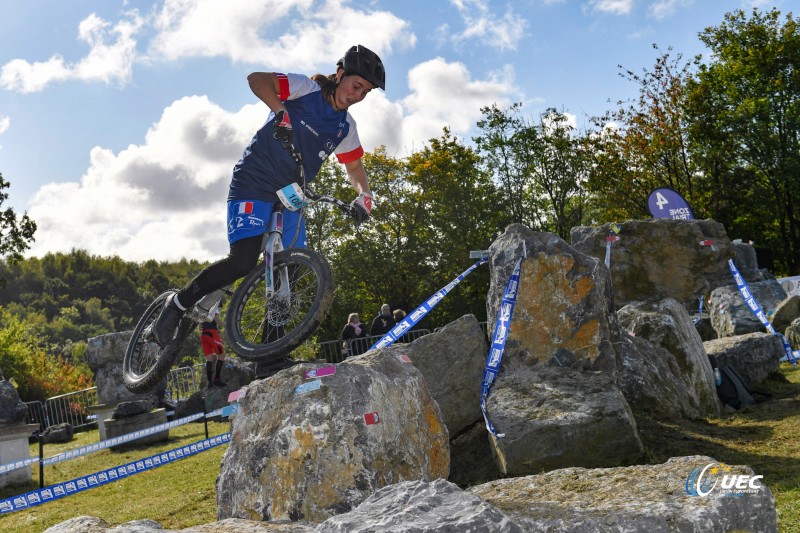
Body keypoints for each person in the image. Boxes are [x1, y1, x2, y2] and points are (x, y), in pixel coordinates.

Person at [152, 45, 386, 349]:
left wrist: (364, 195)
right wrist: (281, 112)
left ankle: (268, 355)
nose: (357, 95)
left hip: (291, 195)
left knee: (289, 269)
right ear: (340, 74)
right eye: (356, 86)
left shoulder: (345, 127)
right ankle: (178, 305)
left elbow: (354, 165)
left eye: (365, 92)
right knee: (243, 262)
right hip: (255, 180)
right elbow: (257, 79)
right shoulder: (306, 88)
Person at [200, 311, 227, 388]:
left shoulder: (202, 304)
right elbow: (216, 319)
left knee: (209, 358)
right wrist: (226, 326)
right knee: (221, 355)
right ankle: (217, 379)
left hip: (203, 334)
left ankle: (209, 383)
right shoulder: (214, 304)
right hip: (212, 332)